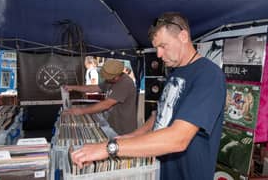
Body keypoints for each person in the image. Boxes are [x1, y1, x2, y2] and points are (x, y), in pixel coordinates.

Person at [70, 12, 226, 180]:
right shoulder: (174, 73)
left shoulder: (209, 75)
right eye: (156, 47)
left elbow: (178, 139)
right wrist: (132, 136)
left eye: (163, 46)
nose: (158, 54)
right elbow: (159, 116)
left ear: (183, 36)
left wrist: (109, 148)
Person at [63, 59, 137, 135]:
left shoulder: (125, 83)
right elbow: (93, 88)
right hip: (113, 123)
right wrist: (72, 87)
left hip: (124, 128)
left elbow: (106, 104)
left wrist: (81, 111)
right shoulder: (110, 80)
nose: (106, 79)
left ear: (116, 76)